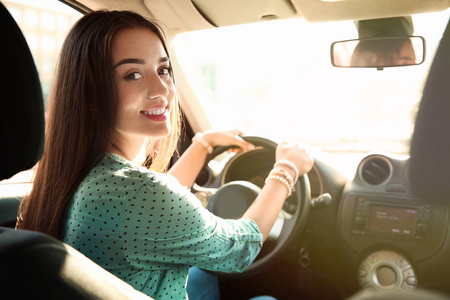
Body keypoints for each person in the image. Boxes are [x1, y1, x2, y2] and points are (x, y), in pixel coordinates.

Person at [16, 10, 314, 300]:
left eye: (163, 69)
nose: (162, 89)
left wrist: (202, 145)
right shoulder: (135, 193)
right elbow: (237, 250)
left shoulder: (92, 177)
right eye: (133, 74)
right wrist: (286, 169)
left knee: (203, 274)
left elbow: (153, 208)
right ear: (92, 95)